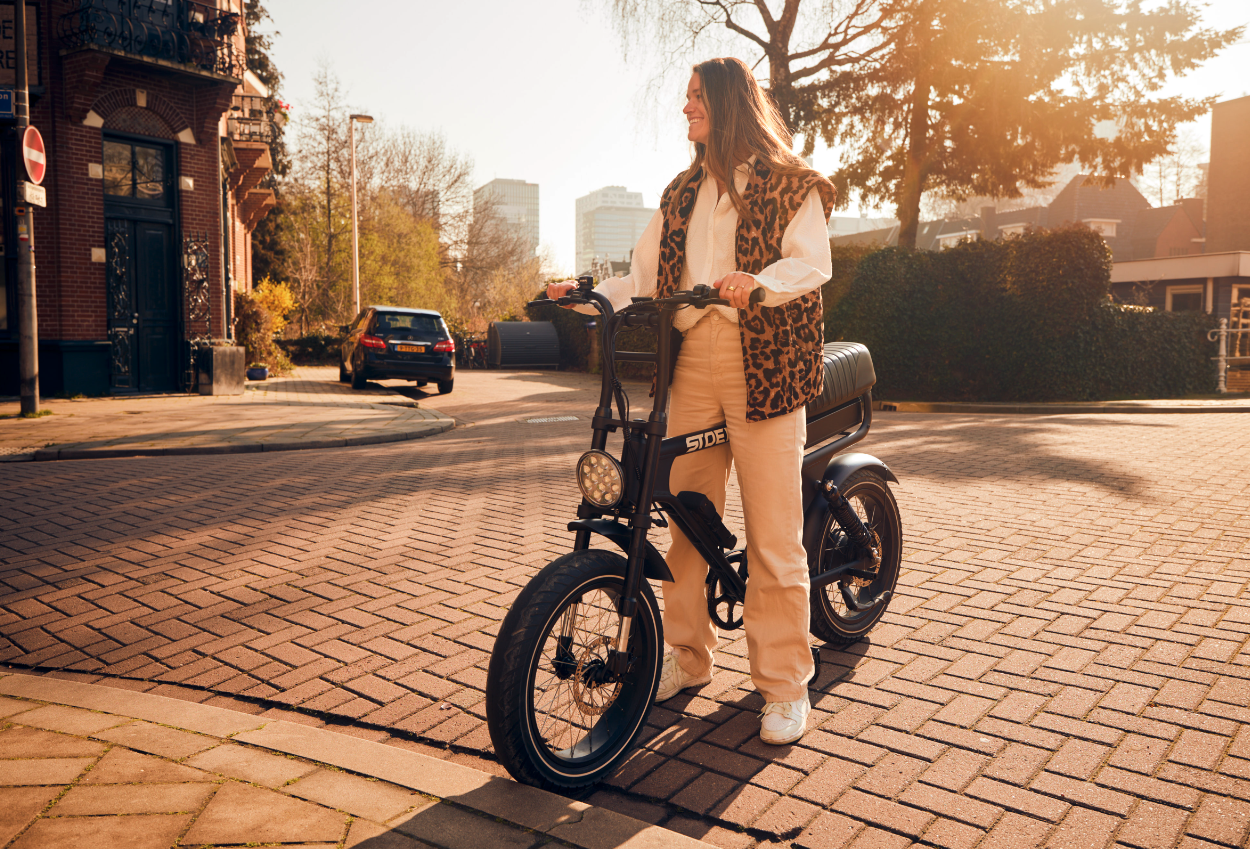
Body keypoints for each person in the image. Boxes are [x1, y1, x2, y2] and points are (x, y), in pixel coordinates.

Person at [548, 57, 835, 745]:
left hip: (761, 362)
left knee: (772, 533)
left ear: (730, 102)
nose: (685, 110)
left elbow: (812, 262)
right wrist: (587, 291)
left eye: (696, 98)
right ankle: (688, 655)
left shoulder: (791, 184)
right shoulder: (680, 193)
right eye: (686, 100)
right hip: (691, 368)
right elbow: (644, 276)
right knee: (683, 520)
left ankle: (787, 684)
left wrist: (757, 282)